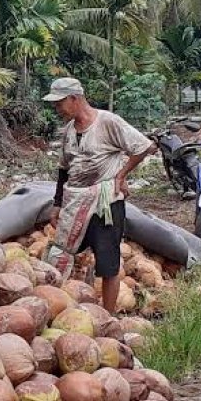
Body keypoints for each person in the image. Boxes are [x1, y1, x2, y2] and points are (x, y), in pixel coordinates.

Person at [43, 77, 155, 314]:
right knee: (62, 253)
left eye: (59, 103)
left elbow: (143, 146)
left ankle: (108, 316)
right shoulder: (68, 131)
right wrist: (57, 203)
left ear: (74, 99)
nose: (57, 109)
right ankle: (62, 307)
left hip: (105, 202)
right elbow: (64, 168)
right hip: (75, 202)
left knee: (108, 263)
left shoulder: (108, 122)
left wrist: (121, 175)